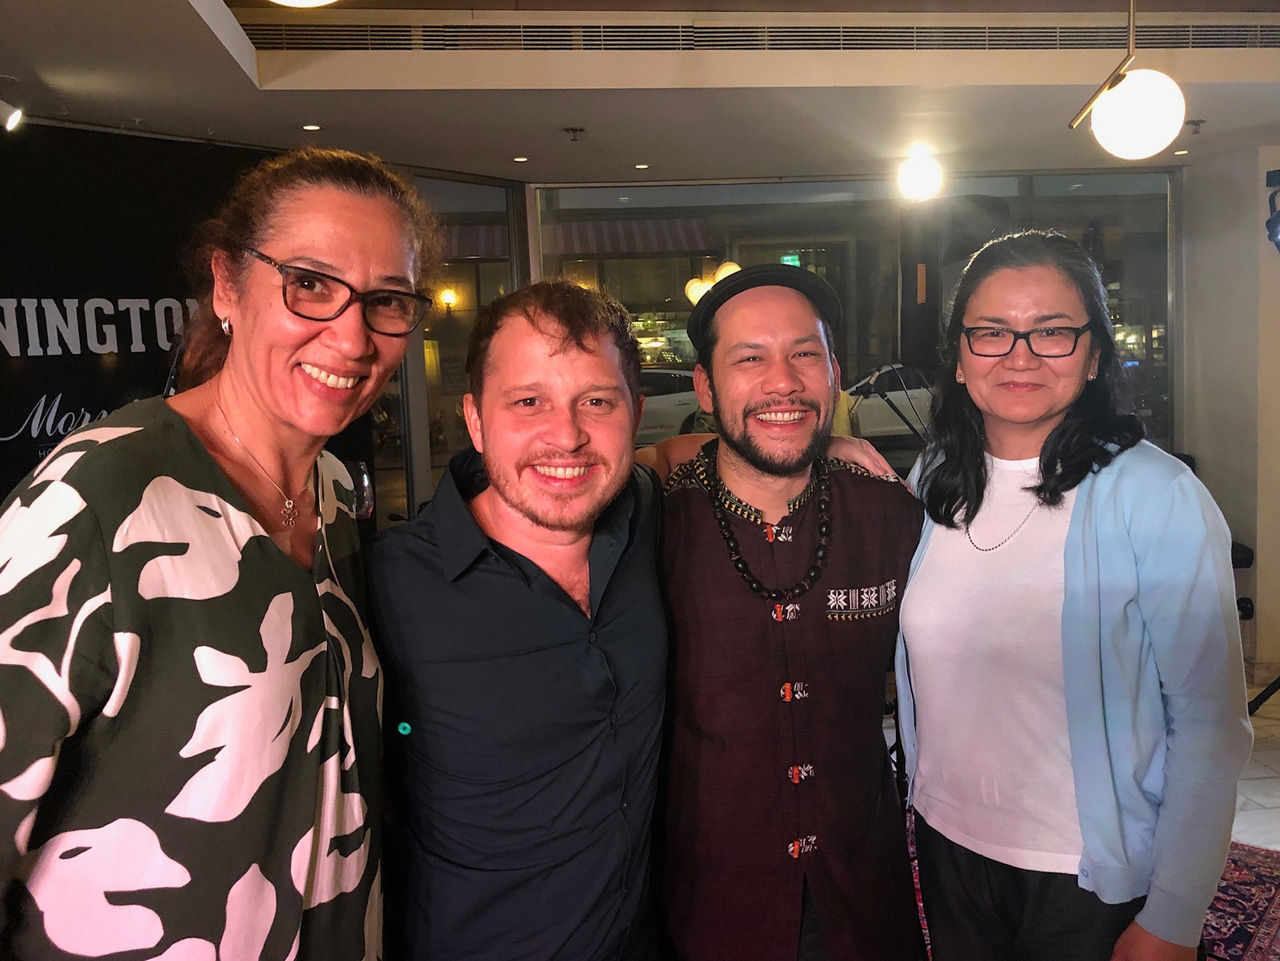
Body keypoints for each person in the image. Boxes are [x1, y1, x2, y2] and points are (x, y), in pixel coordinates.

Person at [0, 147, 439, 959]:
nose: (351, 337)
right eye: (310, 283)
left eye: (386, 300)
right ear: (228, 286)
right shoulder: (96, 497)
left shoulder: (333, 494)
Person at [896, 230, 1252, 961]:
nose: (1020, 356)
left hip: (1083, 877)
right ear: (960, 356)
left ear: (1093, 356)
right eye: (992, 332)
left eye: (1052, 331)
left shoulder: (1157, 495)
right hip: (947, 842)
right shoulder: (932, 479)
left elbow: (1211, 724)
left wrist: (1174, 915)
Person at [367, 281, 665, 961]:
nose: (567, 435)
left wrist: (824, 451)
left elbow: (676, 459)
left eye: (597, 401)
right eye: (528, 402)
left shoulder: (643, 516)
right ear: (475, 420)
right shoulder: (385, 587)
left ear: (636, 414)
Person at [658, 264, 926, 961]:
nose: (783, 382)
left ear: (833, 375)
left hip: (863, 900)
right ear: (705, 387)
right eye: (750, 358)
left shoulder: (891, 514)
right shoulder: (653, 526)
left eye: (804, 354)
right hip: (708, 907)